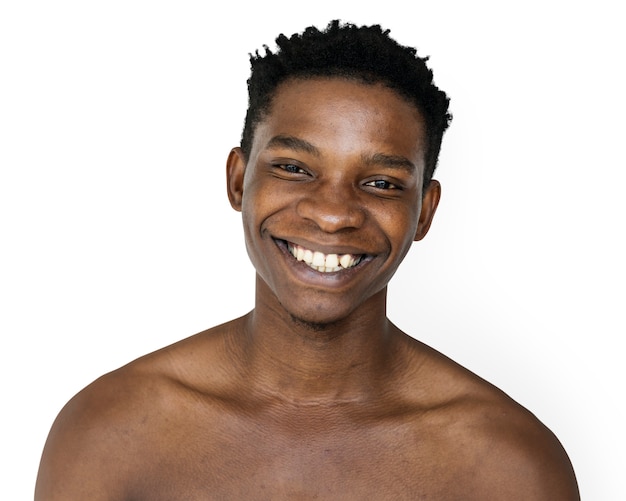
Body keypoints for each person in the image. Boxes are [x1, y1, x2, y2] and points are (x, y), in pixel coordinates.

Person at [35, 20, 579, 500]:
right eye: (294, 168)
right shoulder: (108, 431)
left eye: (382, 183)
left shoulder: (511, 466)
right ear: (237, 180)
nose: (333, 213)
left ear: (423, 212)